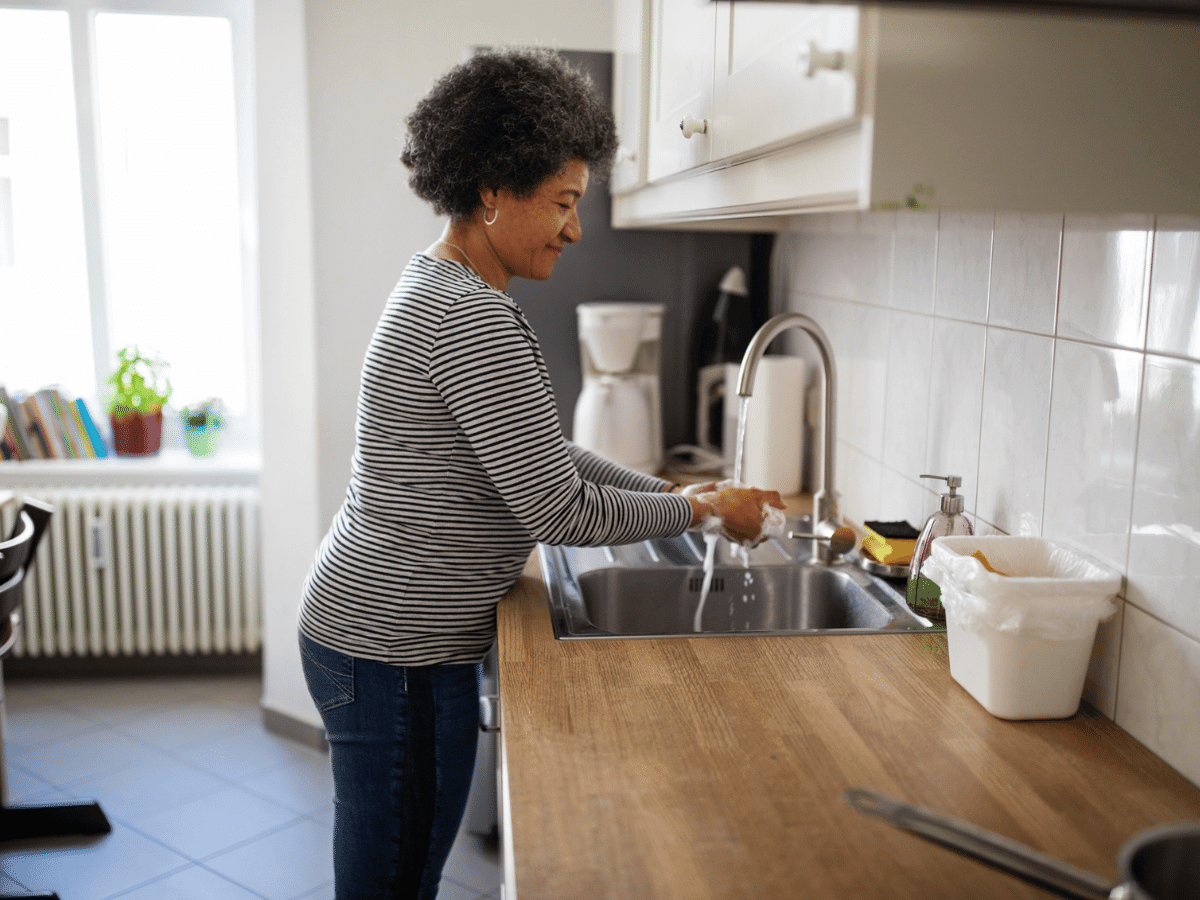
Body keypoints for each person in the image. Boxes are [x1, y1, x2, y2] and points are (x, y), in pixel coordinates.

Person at [297, 47, 784, 900]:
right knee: (392, 885)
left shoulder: (442, 286)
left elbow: (541, 457)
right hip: (395, 653)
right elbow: (556, 503)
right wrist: (697, 514)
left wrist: (676, 495)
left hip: (374, 633)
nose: (575, 229)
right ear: (493, 187)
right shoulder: (472, 317)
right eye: (562, 203)